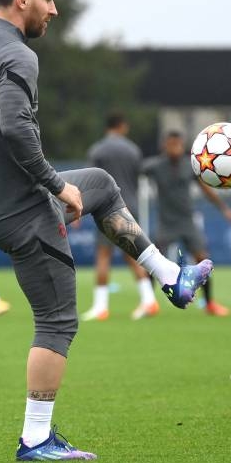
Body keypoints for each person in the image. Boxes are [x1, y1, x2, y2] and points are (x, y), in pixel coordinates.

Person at [0, 0, 212, 461]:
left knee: (101, 185)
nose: (54, 10)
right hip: (23, 210)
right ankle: (36, 439)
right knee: (58, 322)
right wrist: (53, 185)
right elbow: (16, 129)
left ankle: (171, 276)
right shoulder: (16, 55)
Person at [142, 131, 231, 316]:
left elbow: (206, 190)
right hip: (166, 222)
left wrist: (224, 208)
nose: (175, 148)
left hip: (187, 221)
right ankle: (149, 302)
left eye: (178, 144)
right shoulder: (154, 166)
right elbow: (133, 172)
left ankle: (209, 304)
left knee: (202, 258)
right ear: (164, 146)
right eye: (171, 144)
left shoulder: (190, 166)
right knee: (153, 258)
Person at [81, 113, 159, 321]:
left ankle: (101, 306)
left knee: (103, 256)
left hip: (106, 208)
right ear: (122, 126)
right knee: (134, 255)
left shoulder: (98, 149)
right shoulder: (133, 149)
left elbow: (88, 180)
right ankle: (149, 299)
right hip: (129, 206)